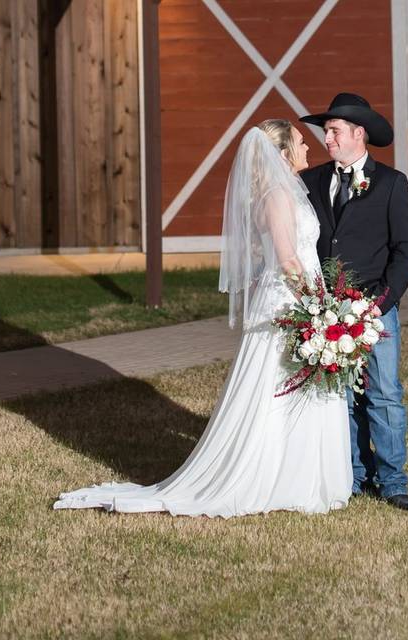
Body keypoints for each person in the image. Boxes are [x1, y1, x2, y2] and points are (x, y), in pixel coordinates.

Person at [54, 120, 352, 517]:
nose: (308, 147)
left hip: (293, 299)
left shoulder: (281, 193)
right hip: (291, 304)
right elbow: (287, 258)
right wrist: (319, 308)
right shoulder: (278, 195)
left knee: (294, 390)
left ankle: (298, 476)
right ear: (282, 155)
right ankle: (279, 479)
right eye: (300, 142)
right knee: (278, 391)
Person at [299, 93, 408, 511]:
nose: (327, 139)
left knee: (384, 394)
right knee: (341, 398)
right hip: (327, 312)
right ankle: (351, 475)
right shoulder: (312, 181)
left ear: (359, 134)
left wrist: (382, 302)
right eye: (326, 131)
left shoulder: (390, 183)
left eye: (334, 131)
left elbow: (406, 248)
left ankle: (392, 481)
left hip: (375, 310)